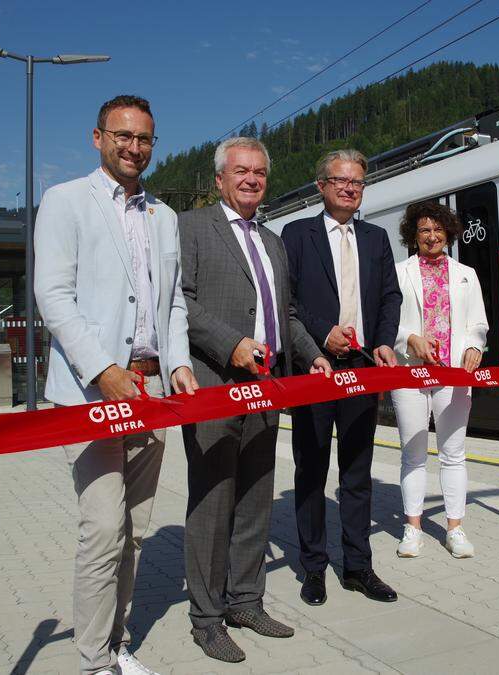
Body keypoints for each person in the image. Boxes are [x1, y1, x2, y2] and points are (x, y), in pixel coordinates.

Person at [34, 94, 197, 675]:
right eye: (123, 135)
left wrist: (178, 363)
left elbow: (172, 300)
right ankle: (93, 661)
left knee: (134, 530)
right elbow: (53, 296)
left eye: (145, 139)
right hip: (91, 394)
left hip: (151, 394)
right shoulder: (64, 202)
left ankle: (115, 643)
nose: (134, 147)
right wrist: (103, 369)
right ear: (97, 137)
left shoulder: (164, 216)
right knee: (103, 528)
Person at [178, 137, 332, 663]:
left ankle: (246, 600)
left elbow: (285, 314)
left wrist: (309, 354)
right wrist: (232, 345)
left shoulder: (272, 241)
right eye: (241, 171)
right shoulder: (192, 227)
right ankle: (206, 618)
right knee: (213, 501)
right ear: (219, 178)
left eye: (259, 172)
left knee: (255, 500)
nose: (251, 179)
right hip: (215, 387)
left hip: (267, 389)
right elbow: (182, 302)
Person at [281, 149, 403, 607]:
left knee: (357, 472)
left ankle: (358, 567)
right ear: (321, 185)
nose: (350, 188)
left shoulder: (376, 238)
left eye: (357, 182)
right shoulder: (297, 235)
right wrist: (320, 336)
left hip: (361, 368)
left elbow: (389, 296)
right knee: (311, 470)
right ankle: (313, 568)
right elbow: (286, 301)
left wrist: (384, 341)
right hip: (317, 366)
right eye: (340, 180)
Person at [389, 201, 488, 559]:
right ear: (413, 236)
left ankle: (455, 528)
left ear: (448, 233)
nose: (432, 237)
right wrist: (408, 340)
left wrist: (476, 347)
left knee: (453, 453)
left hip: (453, 375)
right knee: (413, 455)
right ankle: (412, 528)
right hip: (409, 373)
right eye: (424, 231)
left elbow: (478, 324)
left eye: (438, 230)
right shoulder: (399, 273)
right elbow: (387, 323)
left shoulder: (466, 274)